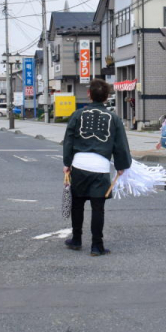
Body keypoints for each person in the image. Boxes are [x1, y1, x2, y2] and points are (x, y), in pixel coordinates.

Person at [62, 79, 130, 256]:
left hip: (79, 164)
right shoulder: (114, 118)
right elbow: (120, 144)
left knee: (77, 204)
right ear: (107, 97)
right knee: (97, 208)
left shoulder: (77, 115)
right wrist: (122, 165)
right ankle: (96, 245)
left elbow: (69, 140)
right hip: (100, 167)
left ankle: (76, 239)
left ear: (89, 94)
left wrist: (67, 163)